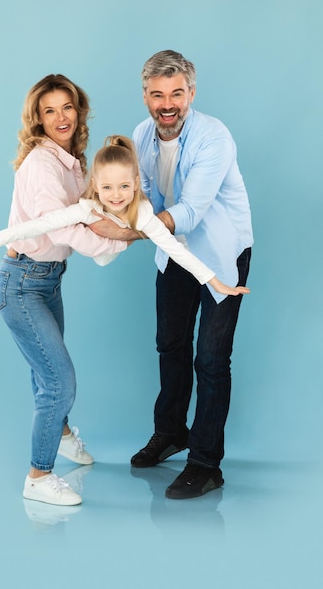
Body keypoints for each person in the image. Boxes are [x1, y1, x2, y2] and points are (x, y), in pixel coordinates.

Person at [88, 51, 254, 499]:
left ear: (191, 94)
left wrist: (123, 235)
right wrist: (95, 215)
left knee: (212, 361)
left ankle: (205, 463)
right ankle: (171, 433)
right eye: (158, 94)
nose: (168, 104)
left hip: (221, 253)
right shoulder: (141, 135)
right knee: (171, 345)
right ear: (145, 96)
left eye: (176, 94)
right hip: (173, 252)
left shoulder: (214, 137)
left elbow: (191, 211)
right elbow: (135, 199)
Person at [0, 74, 128, 507]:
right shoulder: (42, 164)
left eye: (67, 108)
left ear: (79, 111)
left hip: (47, 280)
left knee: (45, 372)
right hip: (21, 284)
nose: (61, 117)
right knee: (59, 381)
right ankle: (38, 476)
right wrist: (120, 241)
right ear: (37, 118)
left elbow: (89, 210)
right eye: (49, 110)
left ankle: (64, 434)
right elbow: (69, 228)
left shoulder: (69, 160)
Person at [0, 135, 250, 300]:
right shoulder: (89, 206)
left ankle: (121, 223)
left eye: (124, 186)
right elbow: (41, 223)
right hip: (93, 233)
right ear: (96, 185)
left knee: (143, 230)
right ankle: (96, 211)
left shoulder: (143, 213)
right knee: (68, 215)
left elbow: (175, 250)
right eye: (108, 187)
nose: (117, 195)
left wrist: (216, 282)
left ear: (136, 184)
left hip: (115, 244)